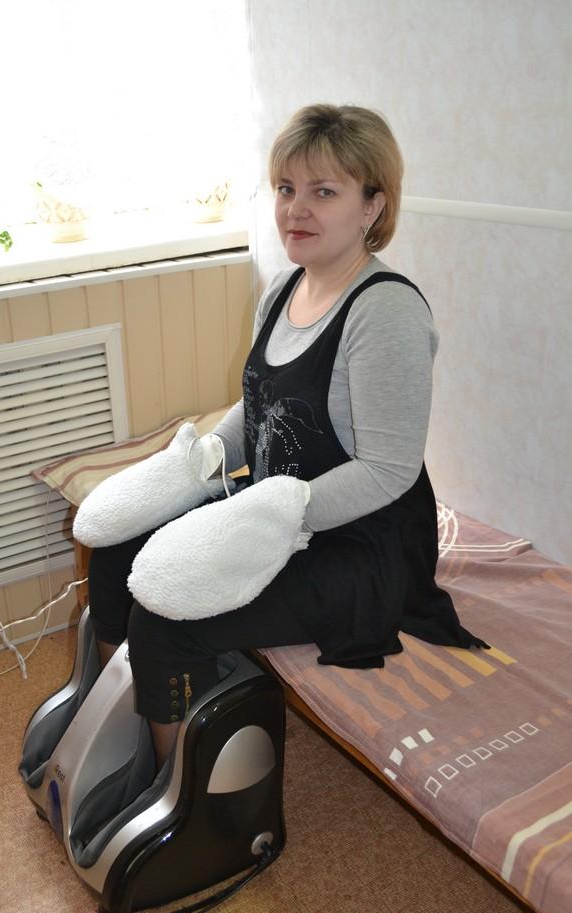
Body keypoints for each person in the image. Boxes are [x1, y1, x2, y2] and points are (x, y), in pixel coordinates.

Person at [81, 103, 484, 769]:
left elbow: (388, 469)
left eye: (323, 192)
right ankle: (115, 731)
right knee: (118, 552)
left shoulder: (384, 311)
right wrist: (205, 461)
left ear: (372, 206)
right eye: (286, 188)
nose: (296, 209)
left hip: (357, 546)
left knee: (165, 617)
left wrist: (267, 518)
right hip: (272, 513)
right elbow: (258, 409)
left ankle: (172, 791)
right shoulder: (284, 288)